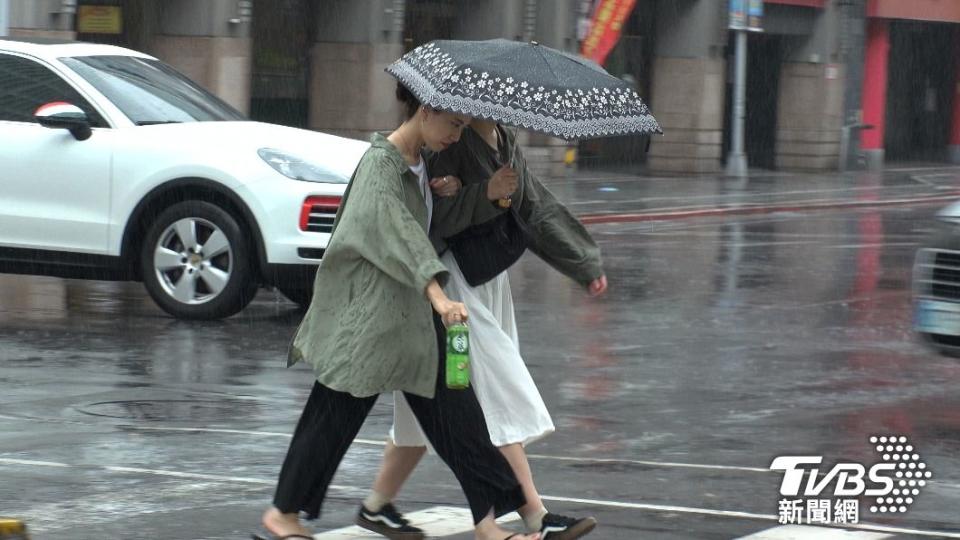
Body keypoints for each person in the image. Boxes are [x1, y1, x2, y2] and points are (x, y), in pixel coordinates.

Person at [258, 83, 540, 540]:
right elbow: (398, 235)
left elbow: (425, 226)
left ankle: (490, 525)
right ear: (426, 111)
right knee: (332, 417)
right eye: (453, 124)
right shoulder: (380, 164)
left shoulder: (420, 165)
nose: (457, 135)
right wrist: (441, 297)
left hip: (408, 321)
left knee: (460, 420)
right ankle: (283, 514)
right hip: (369, 321)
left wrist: (452, 195)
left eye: (463, 126)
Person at [356, 119, 607, 540]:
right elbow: (426, 223)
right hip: (451, 283)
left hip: (488, 281)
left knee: (425, 407)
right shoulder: (450, 141)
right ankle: (534, 515)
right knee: (494, 391)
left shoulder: (504, 140)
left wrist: (581, 261)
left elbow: (534, 206)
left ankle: (376, 505)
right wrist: (482, 193)